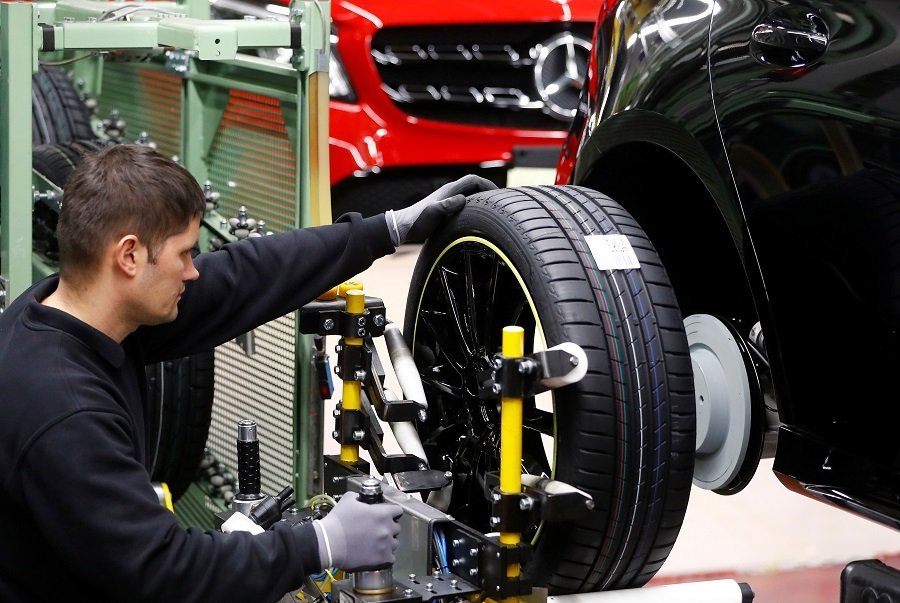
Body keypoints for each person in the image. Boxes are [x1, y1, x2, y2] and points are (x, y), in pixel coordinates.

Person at [0, 144, 496, 602]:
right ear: (129, 255)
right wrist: (321, 543)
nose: (194, 271)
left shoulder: (65, 310)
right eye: (185, 254)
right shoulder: (64, 408)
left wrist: (384, 230)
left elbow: (240, 277)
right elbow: (161, 572)